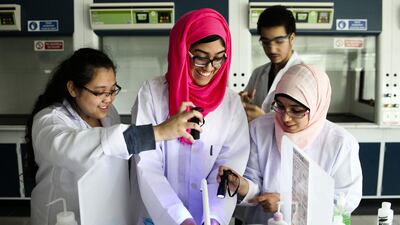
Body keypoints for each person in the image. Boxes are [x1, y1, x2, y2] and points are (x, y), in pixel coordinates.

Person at [25, 48, 203, 225]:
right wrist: (158, 132)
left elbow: (114, 153)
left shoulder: (109, 115)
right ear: (73, 88)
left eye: (112, 90)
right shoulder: (49, 120)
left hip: (104, 213)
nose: (108, 99)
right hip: (63, 216)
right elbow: (75, 148)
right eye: (99, 92)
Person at [131, 8, 250, 225]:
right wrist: (179, 219)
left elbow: (227, 167)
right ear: (182, 51)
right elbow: (147, 165)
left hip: (208, 214)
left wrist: (214, 217)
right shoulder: (152, 94)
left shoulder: (230, 103)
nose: (210, 68)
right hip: (160, 216)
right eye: (200, 58)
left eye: (219, 59)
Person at [219, 64, 363, 224]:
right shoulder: (260, 129)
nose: (285, 118)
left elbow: (346, 199)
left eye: (296, 110)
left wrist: (287, 203)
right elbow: (253, 180)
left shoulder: (340, 143)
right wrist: (242, 185)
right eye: (280, 106)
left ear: (317, 106)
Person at [240, 5, 303, 122]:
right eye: (265, 42)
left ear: (292, 38)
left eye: (279, 41)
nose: (272, 49)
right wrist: (244, 103)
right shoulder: (258, 73)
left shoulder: (304, 76)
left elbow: (307, 124)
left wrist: (263, 120)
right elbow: (248, 106)